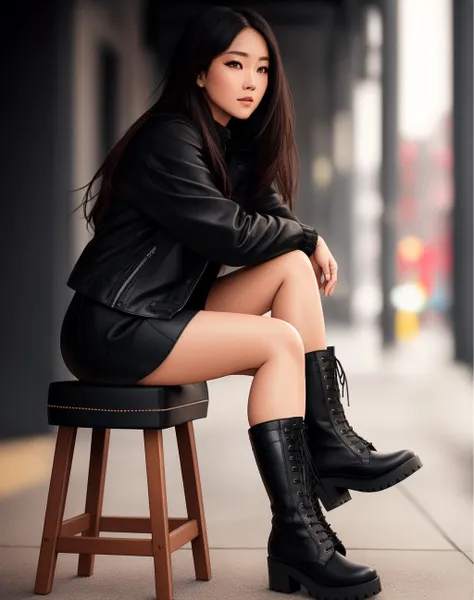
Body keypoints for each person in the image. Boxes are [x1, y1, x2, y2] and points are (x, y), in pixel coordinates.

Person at [62, 6, 422, 599]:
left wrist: (297, 235)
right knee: (278, 338)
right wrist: (307, 236)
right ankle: (299, 535)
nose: (253, 80)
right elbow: (225, 233)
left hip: (165, 311)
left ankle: (328, 439)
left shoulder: (229, 140)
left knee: (288, 268)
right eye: (235, 64)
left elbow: (270, 221)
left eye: (261, 67)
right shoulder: (170, 136)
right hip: (115, 326)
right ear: (201, 73)